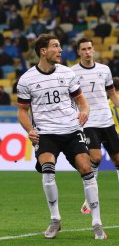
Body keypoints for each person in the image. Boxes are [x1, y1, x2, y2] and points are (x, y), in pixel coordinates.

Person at [16, 34, 107, 240]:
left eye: (60, 46)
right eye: (56, 47)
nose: (60, 50)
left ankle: (97, 223)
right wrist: (29, 129)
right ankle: (55, 219)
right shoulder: (27, 79)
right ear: (43, 51)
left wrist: (84, 111)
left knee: (87, 169)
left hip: (71, 130)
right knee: (48, 170)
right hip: (46, 133)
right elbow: (22, 110)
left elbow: (82, 101)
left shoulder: (67, 73)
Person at [71, 38, 119, 215]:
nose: (87, 52)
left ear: (93, 50)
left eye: (89, 48)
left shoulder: (104, 70)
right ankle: (90, 198)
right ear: (78, 52)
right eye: (83, 49)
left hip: (106, 121)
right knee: (96, 158)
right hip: (88, 122)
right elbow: (70, 98)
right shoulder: (72, 73)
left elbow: (112, 94)